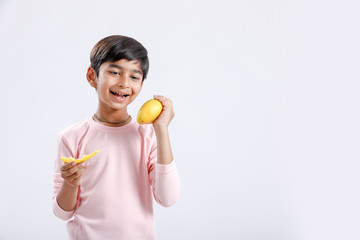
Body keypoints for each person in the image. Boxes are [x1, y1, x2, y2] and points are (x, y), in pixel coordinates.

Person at [52, 35, 181, 240]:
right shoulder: (71, 137)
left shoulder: (148, 134)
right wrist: (70, 184)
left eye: (134, 76)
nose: (124, 83)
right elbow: (62, 213)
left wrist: (162, 130)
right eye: (114, 72)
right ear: (92, 76)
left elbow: (168, 198)